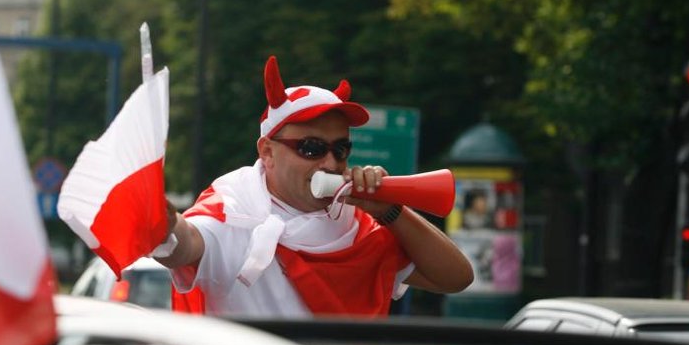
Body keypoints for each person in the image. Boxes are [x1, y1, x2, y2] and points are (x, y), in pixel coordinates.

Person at [154, 55, 474, 317]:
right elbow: (185, 245)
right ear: (267, 152)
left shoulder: (359, 227)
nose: (331, 164)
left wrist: (391, 211)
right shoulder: (233, 210)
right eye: (311, 148)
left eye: (340, 150)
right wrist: (163, 225)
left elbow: (456, 278)